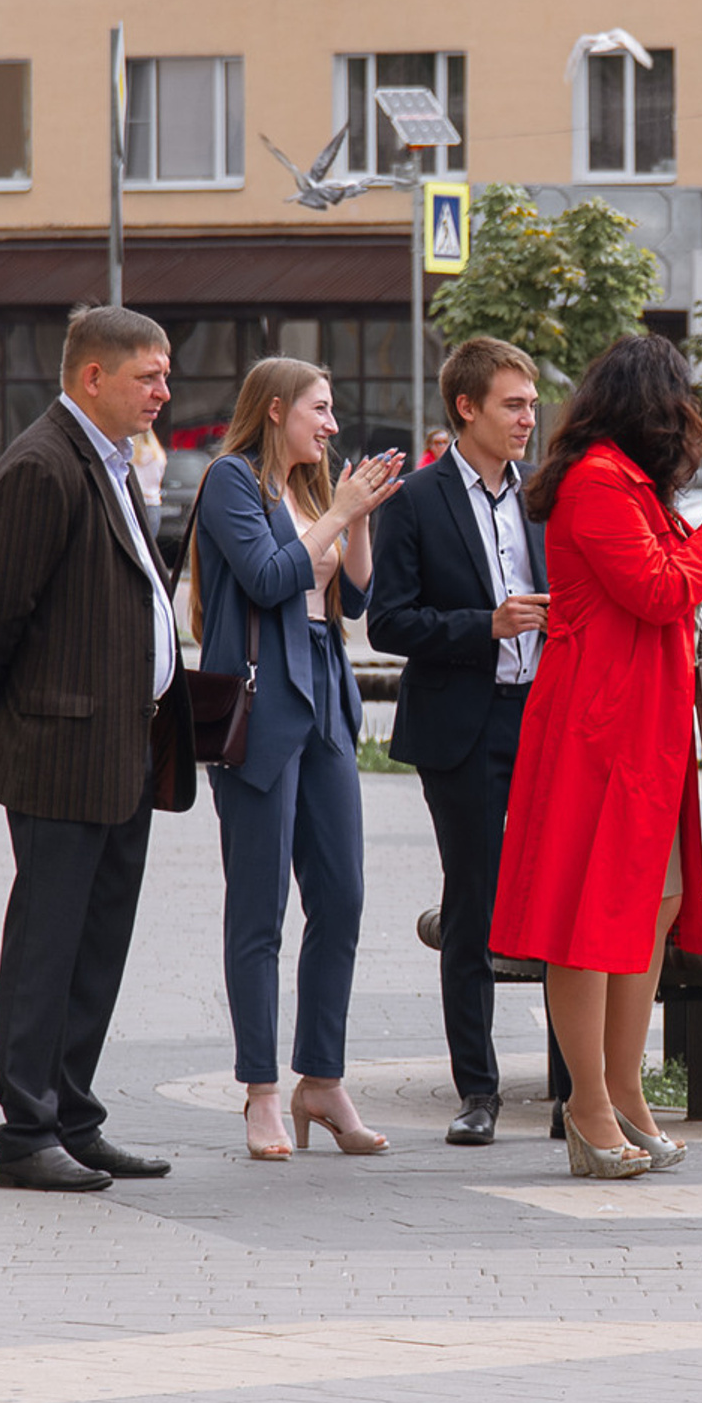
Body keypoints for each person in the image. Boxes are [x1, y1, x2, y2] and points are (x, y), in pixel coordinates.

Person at [490, 335, 702, 1179]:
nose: (690, 421)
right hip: (596, 728)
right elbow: (657, 589)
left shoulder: (630, 484)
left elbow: (667, 579)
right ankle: (585, 1106)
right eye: (681, 403)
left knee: (651, 908)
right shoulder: (597, 483)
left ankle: (624, 1090)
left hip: (638, 729)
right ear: (649, 406)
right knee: (589, 922)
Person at [0, 305, 195, 1194]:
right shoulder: (42, 463)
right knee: (46, 944)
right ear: (92, 376)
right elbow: (0, 608)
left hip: (123, 744)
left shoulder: (114, 461)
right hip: (62, 746)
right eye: (149, 376)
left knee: (99, 943)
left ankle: (72, 1115)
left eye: (165, 376)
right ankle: (24, 1132)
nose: (164, 392)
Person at [193, 358, 404, 1160]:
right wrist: (338, 508)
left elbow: (359, 587)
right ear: (275, 409)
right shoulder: (230, 483)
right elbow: (271, 576)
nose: (333, 423)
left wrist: (357, 513)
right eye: (320, 408)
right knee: (259, 910)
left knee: (342, 897)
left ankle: (322, 1079)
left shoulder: (312, 490)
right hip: (263, 700)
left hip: (324, 691)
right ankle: (261, 1092)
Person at [366, 335, 549, 1146]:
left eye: (533, 404)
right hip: (465, 727)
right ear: (466, 407)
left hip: (544, 722)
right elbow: (388, 621)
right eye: (514, 404)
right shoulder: (417, 501)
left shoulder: (541, 499)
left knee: (552, 906)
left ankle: (574, 1094)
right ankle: (478, 1094)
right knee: (473, 908)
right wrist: (487, 625)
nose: (528, 419)